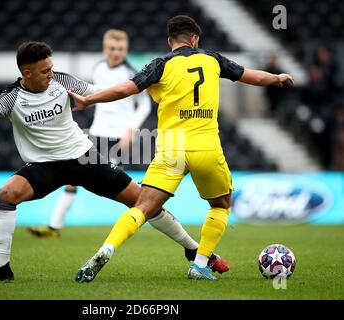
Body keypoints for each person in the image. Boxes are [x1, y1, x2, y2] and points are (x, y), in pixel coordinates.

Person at [0, 41, 227, 282]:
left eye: (51, 67)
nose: (51, 74)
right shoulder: (11, 99)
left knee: (143, 201)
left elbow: (95, 91)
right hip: (44, 166)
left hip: (83, 157)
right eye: (44, 71)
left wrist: (139, 87)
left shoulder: (62, 81)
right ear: (27, 73)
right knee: (6, 195)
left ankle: (193, 249)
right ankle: (1, 269)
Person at [69, 15, 294, 282]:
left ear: (170, 41)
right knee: (221, 205)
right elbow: (251, 76)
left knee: (143, 208)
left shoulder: (160, 65)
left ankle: (106, 249)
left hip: (172, 148)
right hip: (206, 145)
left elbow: (124, 90)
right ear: (195, 39)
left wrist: (88, 100)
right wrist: (276, 77)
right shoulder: (212, 59)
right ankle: (199, 265)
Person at [27, 29, 151, 239]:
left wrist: (131, 129)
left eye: (120, 49)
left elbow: (145, 104)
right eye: (112, 48)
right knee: (72, 180)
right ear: (105, 49)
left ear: (126, 50)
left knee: (119, 183)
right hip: (96, 134)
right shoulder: (98, 68)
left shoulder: (131, 73)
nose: (116, 52)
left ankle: (150, 214)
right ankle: (54, 226)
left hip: (119, 138)